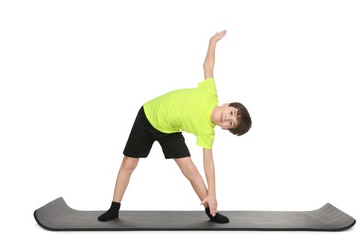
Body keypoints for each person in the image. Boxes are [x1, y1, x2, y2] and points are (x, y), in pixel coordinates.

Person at [98, 30, 252, 224]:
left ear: (223, 128)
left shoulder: (207, 131)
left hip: (169, 131)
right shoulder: (210, 93)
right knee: (129, 163)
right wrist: (212, 42)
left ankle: (210, 210)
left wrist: (212, 193)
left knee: (189, 169)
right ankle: (114, 208)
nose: (226, 118)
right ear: (226, 104)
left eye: (229, 123)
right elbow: (208, 66)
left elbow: (208, 163)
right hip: (148, 116)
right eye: (230, 113)